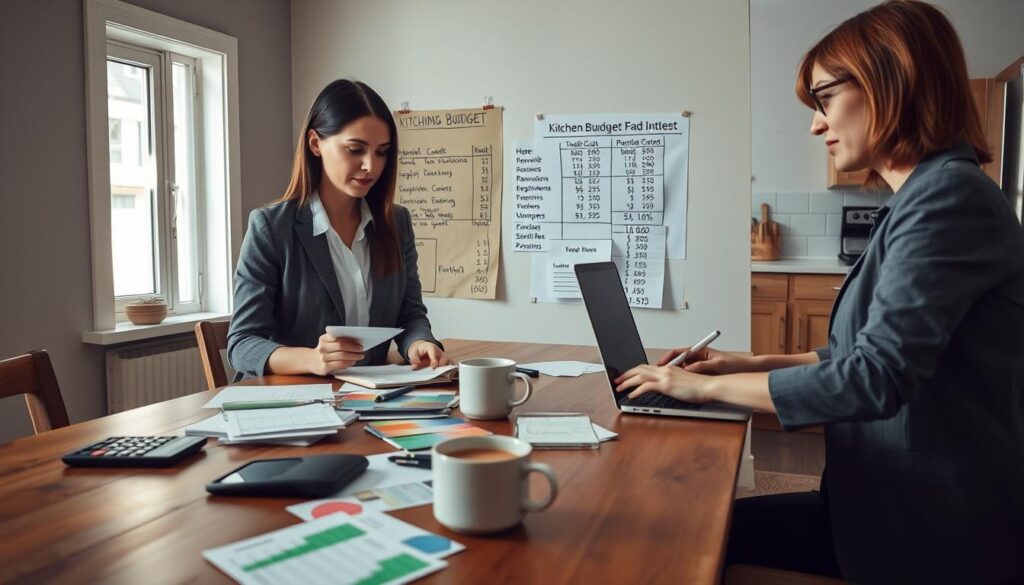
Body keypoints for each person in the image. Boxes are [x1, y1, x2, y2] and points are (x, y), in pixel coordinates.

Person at [615, 2, 1024, 583]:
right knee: (705, 531)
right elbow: (857, 354)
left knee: (690, 547)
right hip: (877, 504)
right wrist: (744, 363)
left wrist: (698, 390)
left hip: (929, 531)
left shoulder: (946, 201)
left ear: (894, 82)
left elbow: (873, 377)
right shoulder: (923, 197)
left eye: (825, 99)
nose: (815, 124)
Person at [228, 79, 448, 380]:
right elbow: (242, 344)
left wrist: (418, 343)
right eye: (355, 149)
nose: (371, 165)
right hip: (294, 405)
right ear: (315, 143)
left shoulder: (397, 224)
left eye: (382, 152)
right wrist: (312, 359)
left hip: (368, 400)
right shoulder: (270, 227)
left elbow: (410, 314)